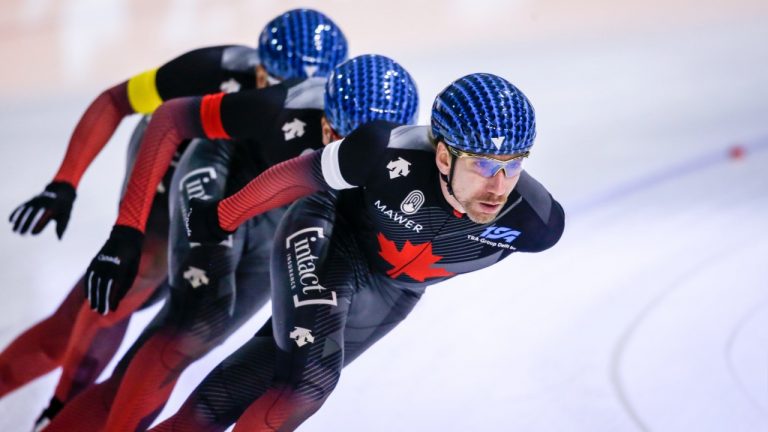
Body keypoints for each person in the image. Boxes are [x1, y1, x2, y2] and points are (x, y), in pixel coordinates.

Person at [1, 8, 346, 431]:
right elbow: (116, 100)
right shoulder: (211, 70)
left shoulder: (331, 111)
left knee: (183, 328)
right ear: (258, 68)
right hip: (177, 169)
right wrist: (69, 183)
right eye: (276, 84)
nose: (293, 93)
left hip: (248, 198)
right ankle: (61, 406)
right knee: (117, 294)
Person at [45, 56, 416, 432]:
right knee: (195, 325)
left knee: (203, 348)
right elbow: (170, 118)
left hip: (279, 210)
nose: (349, 164)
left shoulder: (399, 162)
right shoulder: (279, 106)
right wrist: (126, 230)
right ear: (324, 122)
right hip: (222, 178)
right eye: (338, 142)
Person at [178, 72, 565, 430]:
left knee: (240, 390)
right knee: (310, 380)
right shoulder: (383, 150)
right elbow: (295, 176)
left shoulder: (536, 224)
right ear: (444, 157)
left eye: (513, 165)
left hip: (392, 291)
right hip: (333, 238)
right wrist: (221, 216)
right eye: (483, 164)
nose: (499, 187)